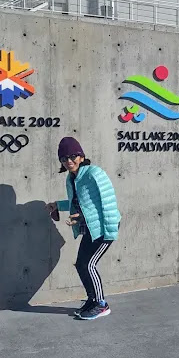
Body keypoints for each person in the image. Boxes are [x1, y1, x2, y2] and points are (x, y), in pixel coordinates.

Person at [46, 137, 121, 320]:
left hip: (105, 226)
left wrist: (105, 228)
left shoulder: (94, 173)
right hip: (91, 228)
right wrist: (58, 205)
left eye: (72, 156)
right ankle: (93, 299)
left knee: (89, 264)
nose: (69, 161)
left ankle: (101, 305)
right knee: (81, 265)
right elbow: (77, 203)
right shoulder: (71, 177)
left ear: (81, 156)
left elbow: (108, 203)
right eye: (64, 159)